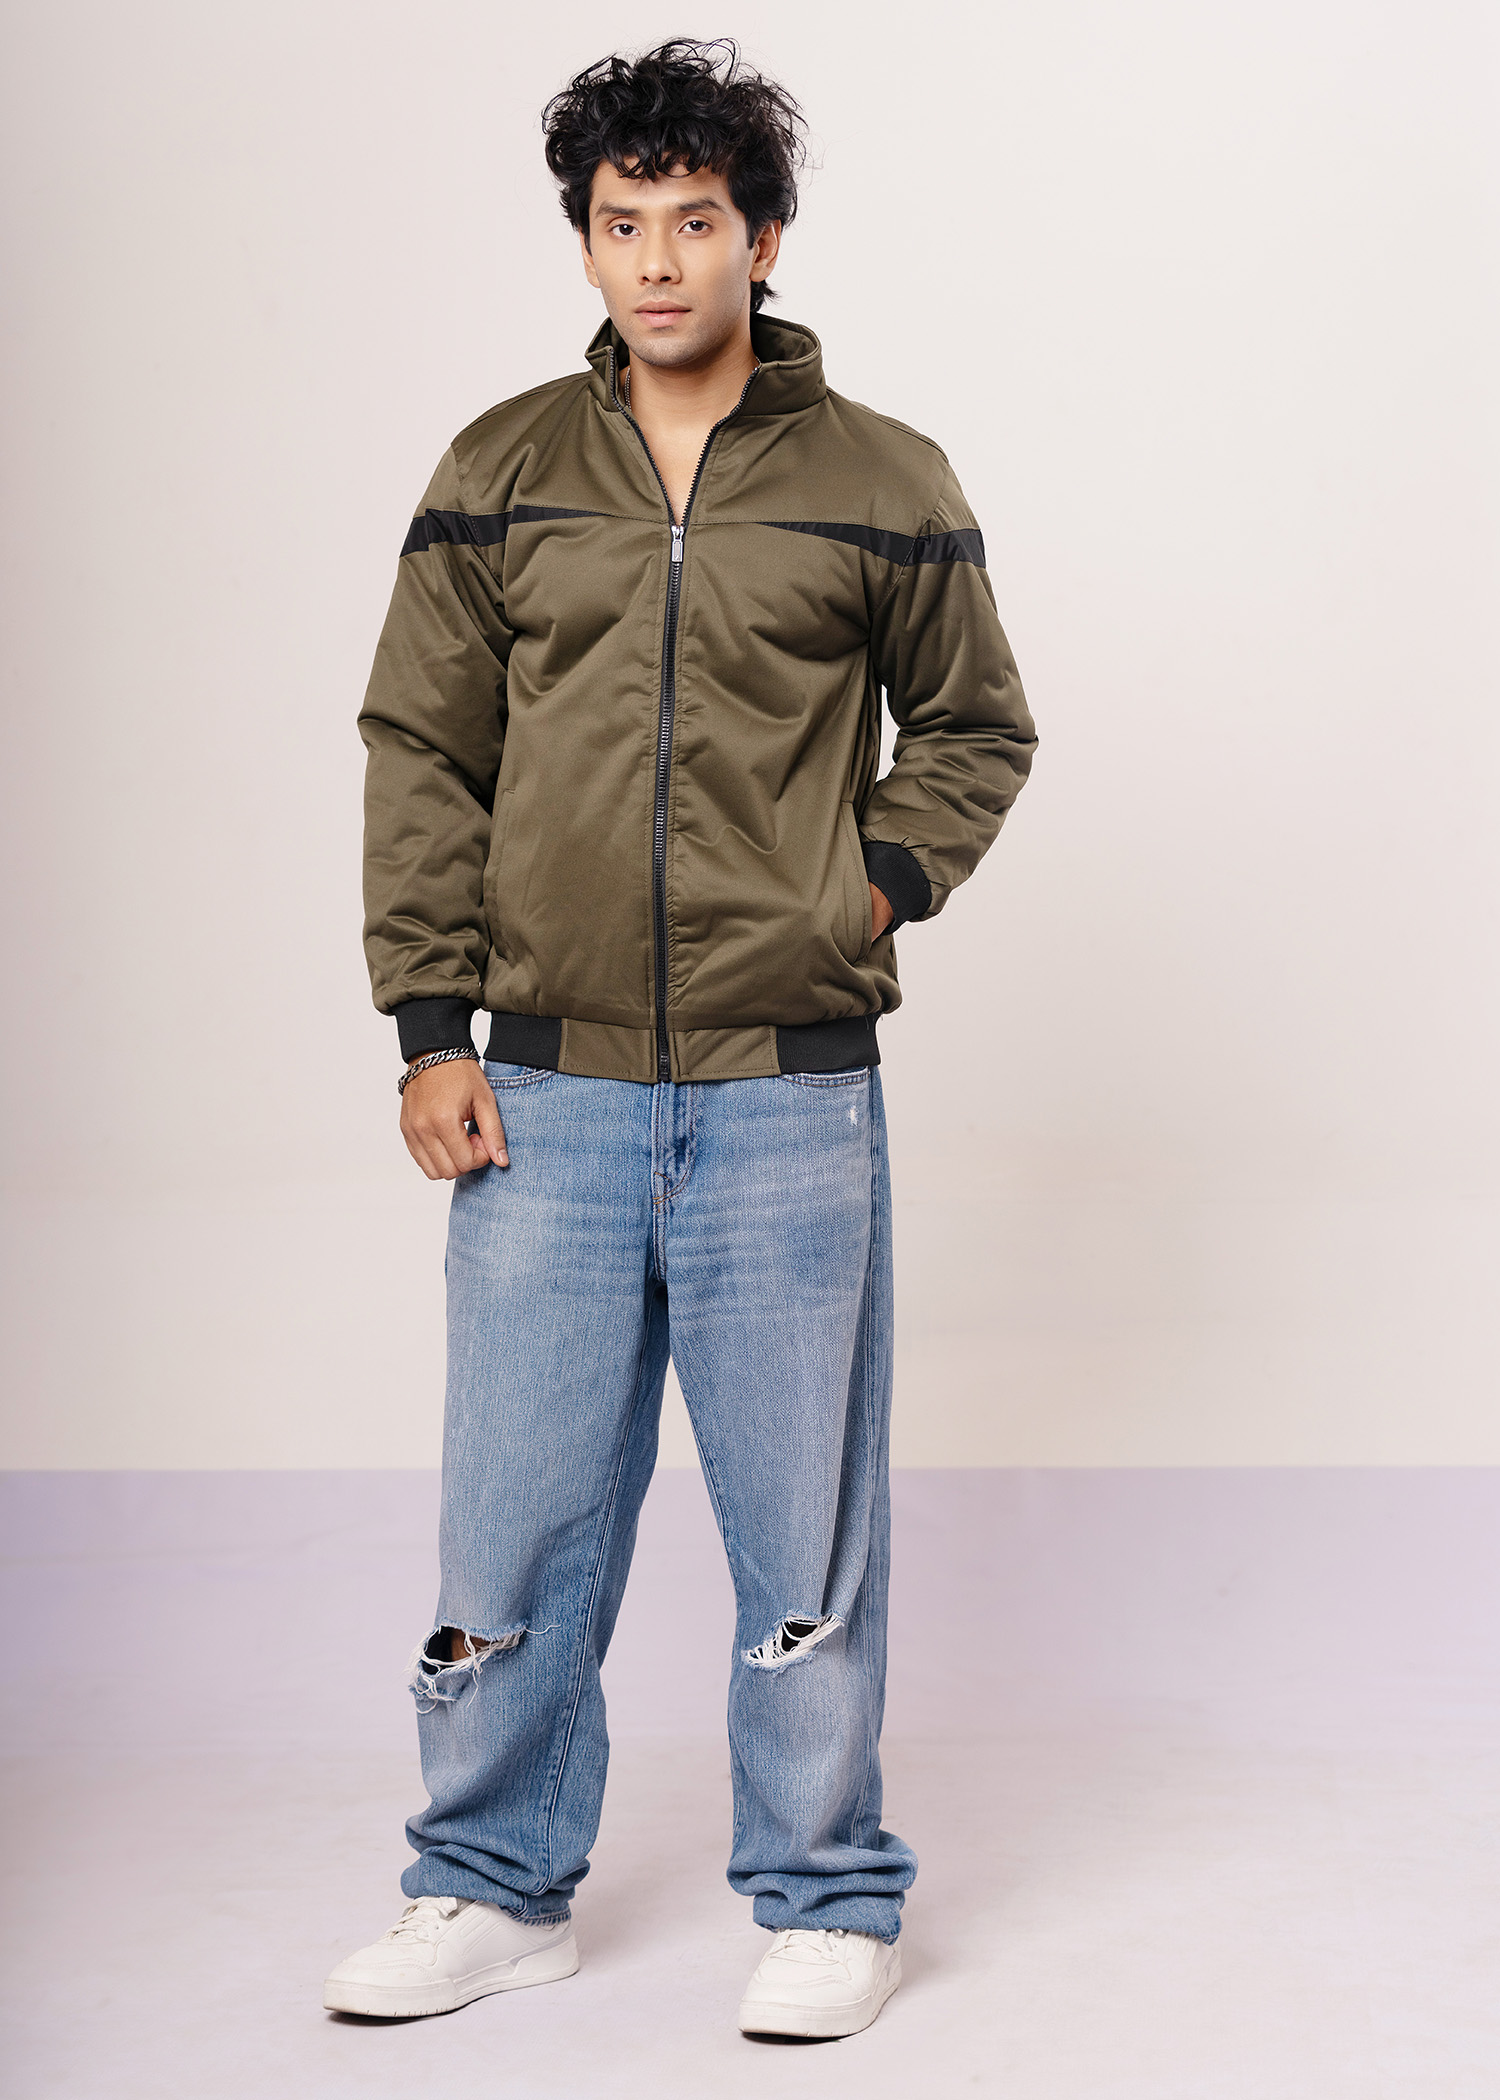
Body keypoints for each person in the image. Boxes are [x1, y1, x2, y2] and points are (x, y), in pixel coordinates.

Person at [325, 38, 1035, 2041]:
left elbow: (976, 725)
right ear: (586, 243)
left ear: (763, 239)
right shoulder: (499, 469)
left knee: (801, 1521)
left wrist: (860, 896)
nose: (657, 260)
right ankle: (489, 1885)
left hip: (785, 1086)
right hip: (540, 1080)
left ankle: (826, 1893)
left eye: (694, 221)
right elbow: (423, 751)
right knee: (514, 1515)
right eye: (621, 224)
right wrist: (429, 1025)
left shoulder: (882, 480)